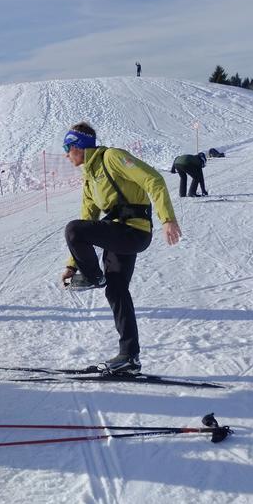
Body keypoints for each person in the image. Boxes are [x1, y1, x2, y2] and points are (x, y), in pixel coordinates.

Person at [59, 122, 181, 373]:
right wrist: (72, 265)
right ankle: (130, 357)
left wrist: (167, 219)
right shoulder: (89, 177)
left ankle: (94, 278)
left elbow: (153, 179)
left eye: (67, 147)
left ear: (78, 146)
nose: (65, 154)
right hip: (116, 234)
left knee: (72, 229)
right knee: (116, 291)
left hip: (134, 231)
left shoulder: (112, 157)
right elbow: (88, 217)